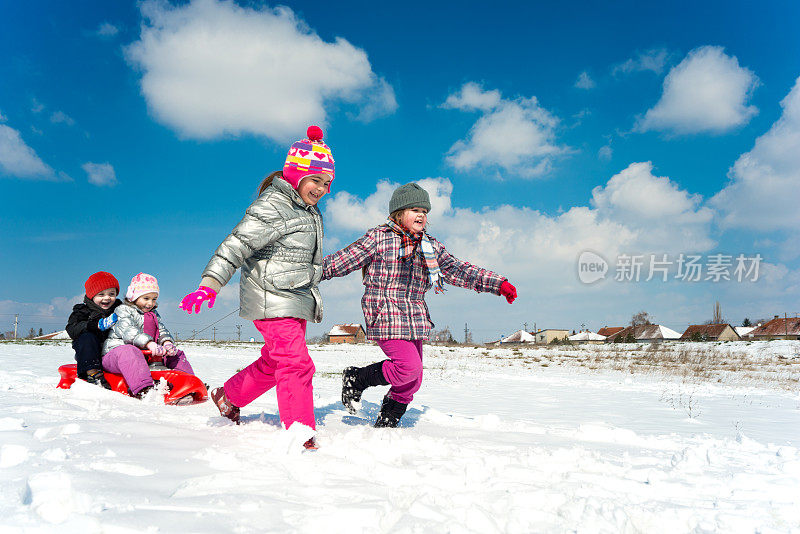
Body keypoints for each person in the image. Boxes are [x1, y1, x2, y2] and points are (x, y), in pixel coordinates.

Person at [180, 126, 334, 450]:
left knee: (277, 361)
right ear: (296, 174)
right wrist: (210, 284)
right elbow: (237, 243)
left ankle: (228, 395)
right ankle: (299, 433)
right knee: (295, 362)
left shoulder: (308, 211)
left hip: (293, 299)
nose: (322, 189)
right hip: (271, 298)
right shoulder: (274, 205)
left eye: (327, 183)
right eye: (316, 180)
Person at [322, 183, 518, 428]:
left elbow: (458, 269)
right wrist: (309, 272)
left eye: (425, 211)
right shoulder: (379, 238)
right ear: (398, 213)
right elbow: (343, 259)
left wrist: (497, 284)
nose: (421, 215)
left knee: (413, 380)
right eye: (415, 209)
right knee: (408, 368)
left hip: (414, 317)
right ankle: (357, 378)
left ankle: (387, 423)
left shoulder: (430, 246)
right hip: (386, 313)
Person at [103, 273, 195, 399]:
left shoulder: (153, 314)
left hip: (144, 356)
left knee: (176, 354)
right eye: (146, 298)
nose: (150, 303)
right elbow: (128, 331)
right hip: (116, 356)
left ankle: (189, 383)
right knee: (130, 351)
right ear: (133, 296)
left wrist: (166, 342)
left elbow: (161, 330)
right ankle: (144, 390)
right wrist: (149, 343)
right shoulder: (122, 310)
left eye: (154, 299)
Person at [65, 271, 122, 388]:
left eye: (111, 294)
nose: (107, 298)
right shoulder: (83, 311)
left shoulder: (120, 310)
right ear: (92, 295)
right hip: (89, 352)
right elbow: (72, 329)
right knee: (87, 337)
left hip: (113, 349)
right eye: (101, 294)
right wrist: (93, 325)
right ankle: (93, 373)